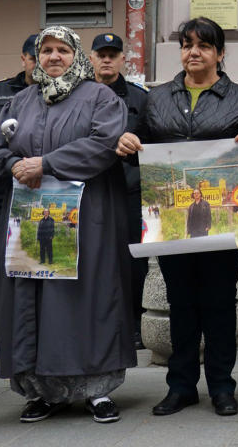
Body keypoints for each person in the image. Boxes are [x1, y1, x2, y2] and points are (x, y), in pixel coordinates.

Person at [117, 17, 238, 418]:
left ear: (220, 53)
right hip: (170, 222)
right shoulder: (158, 98)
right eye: (186, 45)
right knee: (180, 304)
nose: (193, 52)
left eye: (203, 45)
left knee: (219, 305)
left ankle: (222, 386)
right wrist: (129, 141)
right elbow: (138, 142)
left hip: (222, 222)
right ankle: (180, 386)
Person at [0, 26, 134, 424]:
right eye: (47, 50)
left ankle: (96, 391)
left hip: (87, 216)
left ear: (77, 55)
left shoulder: (100, 97)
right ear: (37, 57)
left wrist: (48, 164)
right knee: (32, 300)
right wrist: (12, 165)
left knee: (85, 298)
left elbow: (104, 143)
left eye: (62, 50)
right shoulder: (19, 101)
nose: (54, 57)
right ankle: (42, 391)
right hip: (29, 217)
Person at [90, 32, 150, 350]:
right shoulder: (78, 95)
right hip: (90, 191)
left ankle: (136, 324)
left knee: (134, 261)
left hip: (130, 191)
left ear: (122, 59)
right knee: (92, 257)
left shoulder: (141, 99)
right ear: (92, 58)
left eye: (113, 54)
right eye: (101, 54)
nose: (107, 59)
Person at [0, 34, 38, 254]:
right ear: (23, 58)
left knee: (27, 252)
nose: (39, 63)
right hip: (1, 182)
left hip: (38, 183)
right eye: (34, 58)